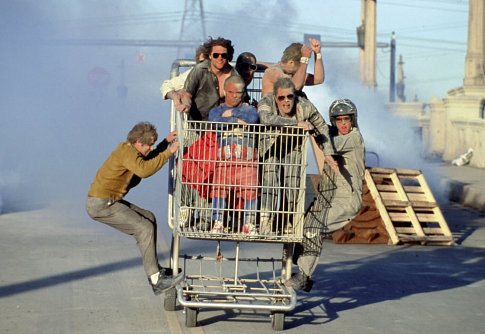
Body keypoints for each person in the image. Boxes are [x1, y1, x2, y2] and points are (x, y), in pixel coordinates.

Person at [86, 122, 181, 295]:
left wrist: (165, 143)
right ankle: (156, 280)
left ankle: (156, 270)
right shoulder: (126, 152)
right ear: (138, 142)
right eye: (149, 145)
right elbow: (144, 169)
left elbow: (147, 158)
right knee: (144, 228)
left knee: (149, 218)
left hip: (109, 201)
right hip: (101, 204)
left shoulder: (131, 151)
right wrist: (169, 152)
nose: (151, 148)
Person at [287, 99, 365, 292]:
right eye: (339, 120)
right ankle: (301, 266)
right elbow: (322, 129)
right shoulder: (332, 131)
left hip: (345, 200)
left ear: (353, 120)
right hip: (327, 197)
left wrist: (311, 127)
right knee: (300, 226)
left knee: (313, 228)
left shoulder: (353, 138)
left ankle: (304, 275)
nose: (344, 124)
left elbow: (327, 144)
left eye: (347, 119)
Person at [257, 77, 338, 235]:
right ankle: (265, 221)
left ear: (294, 96)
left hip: (293, 146)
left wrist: (327, 152)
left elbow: (321, 126)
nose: (286, 102)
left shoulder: (304, 105)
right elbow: (266, 118)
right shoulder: (266, 101)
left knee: (293, 185)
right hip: (270, 146)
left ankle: (285, 220)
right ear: (275, 97)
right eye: (281, 98)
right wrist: (296, 124)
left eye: (289, 97)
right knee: (270, 182)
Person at [208, 76, 260, 235]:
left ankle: (249, 224)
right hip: (225, 158)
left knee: (250, 191)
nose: (235, 96)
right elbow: (215, 121)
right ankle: (218, 222)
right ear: (225, 91)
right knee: (219, 190)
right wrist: (237, 120)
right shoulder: (216, 110)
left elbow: (252, 119)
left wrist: (231, 115)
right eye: (231, 92)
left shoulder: (249, 109)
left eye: (239, 93)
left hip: (247, 158)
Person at [181, 36, 240, 120]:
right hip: (199, 125)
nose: (220, 58)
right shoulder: (199, 70)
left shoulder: (234, 75)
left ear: (228, 56)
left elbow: (242, 101)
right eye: (216, 55)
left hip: (225, 126)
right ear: (209, 56)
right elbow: (187, 94)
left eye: (223, 55)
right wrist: (186, 105)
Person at [160, 44, 209, 112]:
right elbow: (166, 85)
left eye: (208, 62)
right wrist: (175, 96)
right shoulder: (192, 74)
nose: (205, 66)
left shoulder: (227, 74)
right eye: (202, 62)